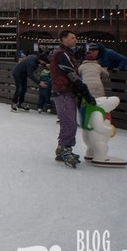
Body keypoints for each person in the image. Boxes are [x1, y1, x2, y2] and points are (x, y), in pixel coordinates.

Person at [51, 30, 96, 168]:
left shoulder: (67, 53)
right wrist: (84, 90)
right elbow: (70, 73)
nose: (75, 40)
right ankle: (66, 149)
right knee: (69, 122)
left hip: (68, 92)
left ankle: (61, 148)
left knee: (67, 121)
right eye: (72, 38)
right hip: (64, 92)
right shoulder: (61, 54)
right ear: (63, 39)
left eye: (75, 37)